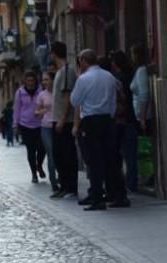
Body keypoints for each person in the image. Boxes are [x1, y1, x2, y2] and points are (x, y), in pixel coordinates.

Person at [71, 49, 127, 210]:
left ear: (83, 61)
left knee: (94, 161)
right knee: (111, 159)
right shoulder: (109, 76)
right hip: (109, 120)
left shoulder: (83, 78)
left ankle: (97, 197)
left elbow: (75, 100)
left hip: (90, 121)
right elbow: (119, 91)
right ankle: (119, 195)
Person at [50, 41, 78, 199]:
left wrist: (62, 119)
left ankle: (70, 186)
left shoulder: (67, 71)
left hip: (64, 121)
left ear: (54, 53)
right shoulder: (60, 71)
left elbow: (67, 97)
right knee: (58, 154)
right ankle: (64, 185)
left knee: (67, 154)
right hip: (58, 119)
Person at [111, 50, 139, 193]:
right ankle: (132, 182)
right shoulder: (133, 74)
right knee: (131, 154)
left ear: (115, 64)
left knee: (122, 154)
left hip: (121, 119)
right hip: (132, 118)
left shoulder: (118, 80)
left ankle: (127, 183)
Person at [13, 71, 46, 183]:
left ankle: (39, 165)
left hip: (40, 124)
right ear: (25, 81)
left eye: (32, 80)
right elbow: (17, 109)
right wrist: (15, 124)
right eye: (28, 80)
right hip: (25, 125)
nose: (30, 82)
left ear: (35, 81)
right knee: (30, 150)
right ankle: (34, 174)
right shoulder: (20, 92)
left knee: (42, 148)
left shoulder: (41, 90)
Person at [35, 71, 60, 194]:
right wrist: (43, 111)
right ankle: (54, 182)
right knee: (50, 153)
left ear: (53, 80)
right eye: (43, 80)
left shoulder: (59, 93)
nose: (44, 82)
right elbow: (36, 112)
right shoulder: (41, 95)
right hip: (46, 127)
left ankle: (62, 178)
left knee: (59, 153)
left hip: (58, 125)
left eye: (47, 79)